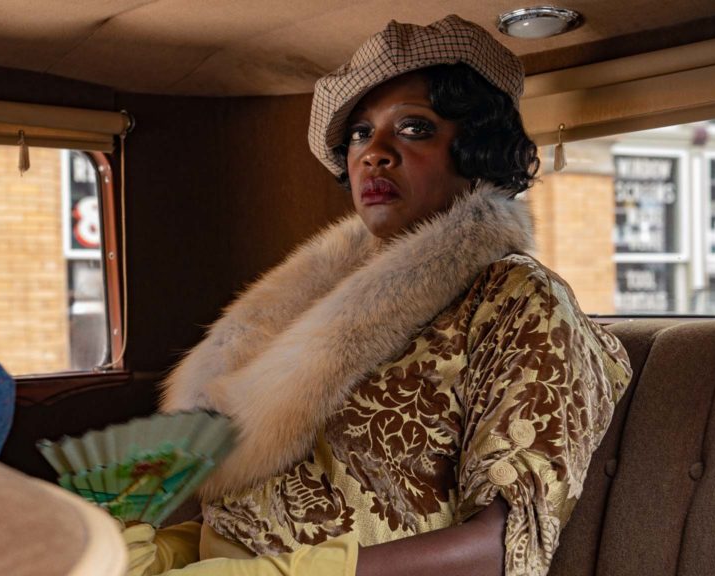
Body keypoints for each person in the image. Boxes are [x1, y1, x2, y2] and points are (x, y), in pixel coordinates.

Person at [132, 15, 633, 576]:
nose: (374, 152)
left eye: (414, 128)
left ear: (476, 148)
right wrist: (173, 552)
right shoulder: (310, 303)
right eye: (359, 134)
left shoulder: (519, 299)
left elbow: (503, 547)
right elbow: (264, 502)